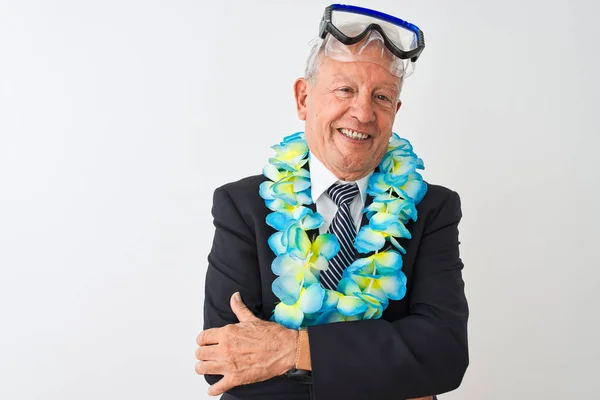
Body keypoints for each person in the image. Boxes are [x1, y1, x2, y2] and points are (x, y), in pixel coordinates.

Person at [195, 4, 468, 400]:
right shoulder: (241, 205)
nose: (362, 113)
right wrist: (395, 373)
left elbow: (443, 355)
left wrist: (292, 349)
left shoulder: (433, 210)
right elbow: (224, 362)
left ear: (396, 111)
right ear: (304, 98)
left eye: (382, 97)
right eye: (345, 89)